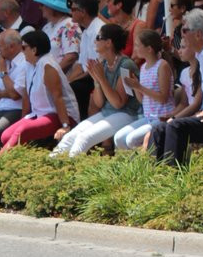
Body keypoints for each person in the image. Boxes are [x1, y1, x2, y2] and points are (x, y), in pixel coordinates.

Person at [149, 8, 203, 164]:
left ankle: (173, 179)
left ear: (198, 34)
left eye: (185, 30)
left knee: (177, 127)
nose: (182, 34)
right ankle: (154, 178)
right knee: (159, 129)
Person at [50, 23, 139, 157]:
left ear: (109, 42)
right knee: (70, 137)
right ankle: (50, 167)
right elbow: (99, 103)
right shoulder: (102, 64)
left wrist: (102, 79)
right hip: (107, 112)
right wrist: (97, 81)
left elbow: (119, 103)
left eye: (98, 37)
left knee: (83, 138)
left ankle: (69, 173)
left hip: (127, 114)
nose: (95, 41)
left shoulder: (126, 65)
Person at [0, 30, 79, 153]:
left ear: (34, 50)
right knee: (6, 136)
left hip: (61, 115)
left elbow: (58, 97)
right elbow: (26, 96)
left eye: (24, 47)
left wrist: (65, 126)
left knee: (22, 132)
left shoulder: (48, 66)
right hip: (39, 114)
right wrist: (23, 120)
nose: (21, 51)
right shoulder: (29, 64)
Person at [114, 29, 174, 150]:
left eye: (137, 45)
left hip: (162, 117)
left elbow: (163, 98)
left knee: (132, 139)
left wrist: (139, 87)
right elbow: (142, 100)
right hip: (148, 117)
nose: (135, 49)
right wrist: (134, 87)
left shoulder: (162, 66)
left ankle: (144, 164)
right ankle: (135, 165)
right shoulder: (143, 68)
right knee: (119, 138)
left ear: (149, 49)